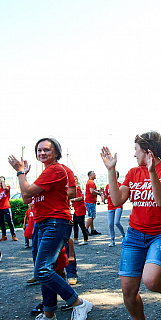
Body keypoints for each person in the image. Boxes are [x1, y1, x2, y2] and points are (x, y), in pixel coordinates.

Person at [100, 131, 161, 320]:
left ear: (148, 152)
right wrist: (111, 171)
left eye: (136, 150)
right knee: (128, 292)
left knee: (151, 281)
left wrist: (152, 171)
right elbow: (117, 199)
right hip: (135, 235)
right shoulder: (132, 172)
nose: (134, 154)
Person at [8, 137, 92, 320]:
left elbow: (28, 192)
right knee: (47, 271)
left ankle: (78, 303)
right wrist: (24, 176)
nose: (42, 153)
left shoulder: (56, 169)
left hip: (54, 222)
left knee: (42, 271)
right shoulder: (45, 173)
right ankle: (49, 313)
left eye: (46, 150)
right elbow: (26, 198)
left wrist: (20, 173)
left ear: (56, 153)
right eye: (39, 150)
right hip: (41, 223)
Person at [104, 170, 125, 247]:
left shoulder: (120, 185)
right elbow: (106, 197)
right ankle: (112, 240)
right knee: (110, 224)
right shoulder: (108, 186)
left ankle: (124, 235)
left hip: (118, 206)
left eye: (115, 174)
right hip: (110, 206)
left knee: (116, 222)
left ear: (117, 176)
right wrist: (103, 194)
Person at [71, 176, 89, 245]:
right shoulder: (74, 189)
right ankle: (75, 238)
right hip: (76, 209)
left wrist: (73, 200)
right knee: (75, 223)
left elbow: (80, 198)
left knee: (81, 224)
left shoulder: (77, 189)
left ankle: (85, 239)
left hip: (80, 209)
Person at [0, 176, 18, 241]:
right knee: (1, 222)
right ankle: (4, 235)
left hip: (6, 207)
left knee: (9, 221)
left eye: (1, 182)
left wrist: (2, 181)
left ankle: (13, 235)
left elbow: (5, 187)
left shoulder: (7, 187)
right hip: (0, 208)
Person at [85, 171, 101, 236]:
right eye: (94, 174)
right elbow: (92, 191)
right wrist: (99, 193)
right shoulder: (91, 182)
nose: (95, 175)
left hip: (89, 201)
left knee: (91, 216)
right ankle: (85, 230)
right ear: (90, 175)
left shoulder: (89, 182)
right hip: (90, 201)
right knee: (92, 216)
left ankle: (92, 229)